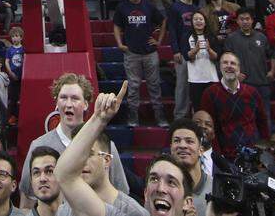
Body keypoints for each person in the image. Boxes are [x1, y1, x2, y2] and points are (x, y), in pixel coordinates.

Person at [55, 80, 183, 216]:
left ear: (107, 159)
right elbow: (63, 174)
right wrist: (98, 118)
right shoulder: (65, 209)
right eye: (154, 179)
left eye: (89, 154)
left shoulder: (132, 212)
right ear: (145, 193)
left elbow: (64, 175)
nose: (161, 189)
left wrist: (99, 120)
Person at [18, 74, 129, 207]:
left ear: (86, 104)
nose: (69, 104)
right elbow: (27, 202)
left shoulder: (106, 147)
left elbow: (121, 196)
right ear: (56, 102)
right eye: (63, 98)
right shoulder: (38, 145)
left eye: (75, 98)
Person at [112, 0, 167, 126]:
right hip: (132, 53)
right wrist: (119, 44)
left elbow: (163, 22)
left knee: (154, 86)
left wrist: (159, 41)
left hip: (150, 53)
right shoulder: (122, 7)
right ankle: (133, 118)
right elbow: (116, 26)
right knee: (133, 86)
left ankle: (160, 117)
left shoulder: (149, 5)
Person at [197, 52, 270, 160]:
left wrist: (264, 150)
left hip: (253, 154)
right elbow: (208, 129)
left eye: (233, 63)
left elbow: (262, 121)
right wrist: (218, 155)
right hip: (225, 156)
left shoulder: (252, 92)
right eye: (225, 63)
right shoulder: (210, 93)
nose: (229, 66)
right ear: (220, 67)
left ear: (239, 69)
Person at [224, 9, 275, 109]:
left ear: (252, 20)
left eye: (247, 19)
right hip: (242, 84)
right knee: (245, 117)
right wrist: (234, 74)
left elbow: (273, 54)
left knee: (265, 117)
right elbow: (226, 61)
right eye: (241, 19)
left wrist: (272, 71)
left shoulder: (262, 37)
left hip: (262, 83)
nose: (245, 22)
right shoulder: (231, 38)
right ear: (237, 21)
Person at [167, 0, 201, 120]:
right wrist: (176, 50)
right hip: (182, 52)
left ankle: (196, 114)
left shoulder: (196, 9)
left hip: (196, 53)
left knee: (197, 85)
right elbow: (172, 30)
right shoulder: (175, 7)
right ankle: (179, 116)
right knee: (182, 86)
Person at [168, 120, 210, 210]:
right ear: (171, 149)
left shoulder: (215, 189)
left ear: (201, 150)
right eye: (177, 141)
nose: (182, 145)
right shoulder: (163, 189)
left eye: (189, 141)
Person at [26, 146, 64, 216]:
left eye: (49, 171)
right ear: (31, 181)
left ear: (61, 176)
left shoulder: (79, 212)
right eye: (36, 172)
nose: (42, 179)